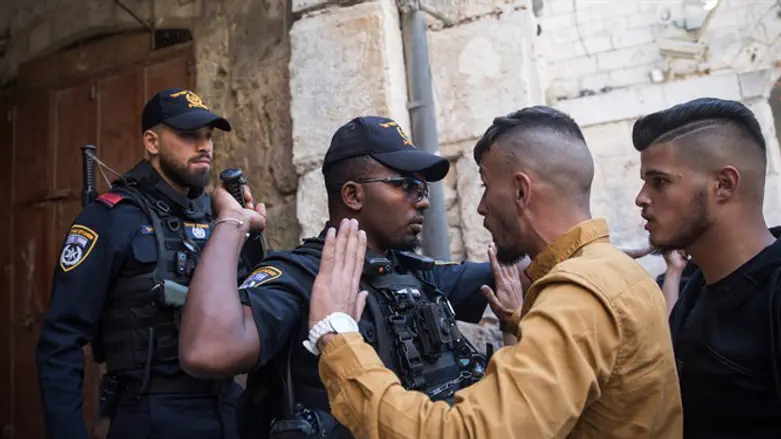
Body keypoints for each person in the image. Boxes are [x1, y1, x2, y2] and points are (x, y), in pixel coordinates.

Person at [301, 106, 684, 439]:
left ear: (521, 191)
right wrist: (523, 323)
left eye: (485, 187)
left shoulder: (579, 297)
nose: (481, 207)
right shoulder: (616, 271)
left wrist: (336, 337)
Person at [179, 116, 510, 439]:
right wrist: (232, 222)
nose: (423, 201)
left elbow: (520, 268)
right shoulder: (303, 277)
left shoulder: (416, 274)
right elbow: (206, 350)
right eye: (407, 185)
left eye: (423, 188)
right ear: (353, 195)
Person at [35, 88, 266, 439]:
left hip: (227, 409)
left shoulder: (221, 215)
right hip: (153, 413)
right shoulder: (112, 217)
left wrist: (244, 231)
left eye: (208, 136)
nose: (204, 146)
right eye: (189, 135)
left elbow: (254, 307)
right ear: (152, 142)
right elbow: (61, 339)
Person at [632, 97, 781, 438]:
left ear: (723, 185)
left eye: (659, 181)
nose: (641, 198)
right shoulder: (696, 288)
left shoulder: (772, 294)